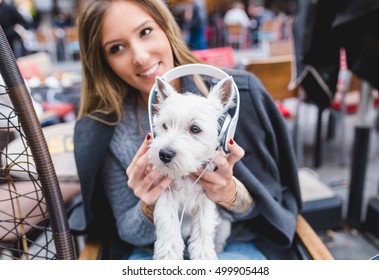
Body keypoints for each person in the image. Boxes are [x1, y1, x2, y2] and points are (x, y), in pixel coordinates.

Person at [74, 0, 301, 260]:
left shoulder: (243, 96)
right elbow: (127, 233)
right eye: (116, 48)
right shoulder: (105, 132)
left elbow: (271, 205)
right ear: (103, 61)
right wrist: (149, 206)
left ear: (167, 27)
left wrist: (230, 193)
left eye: (145, 32)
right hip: (151, 252)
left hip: (234, 242)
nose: (140, 57)